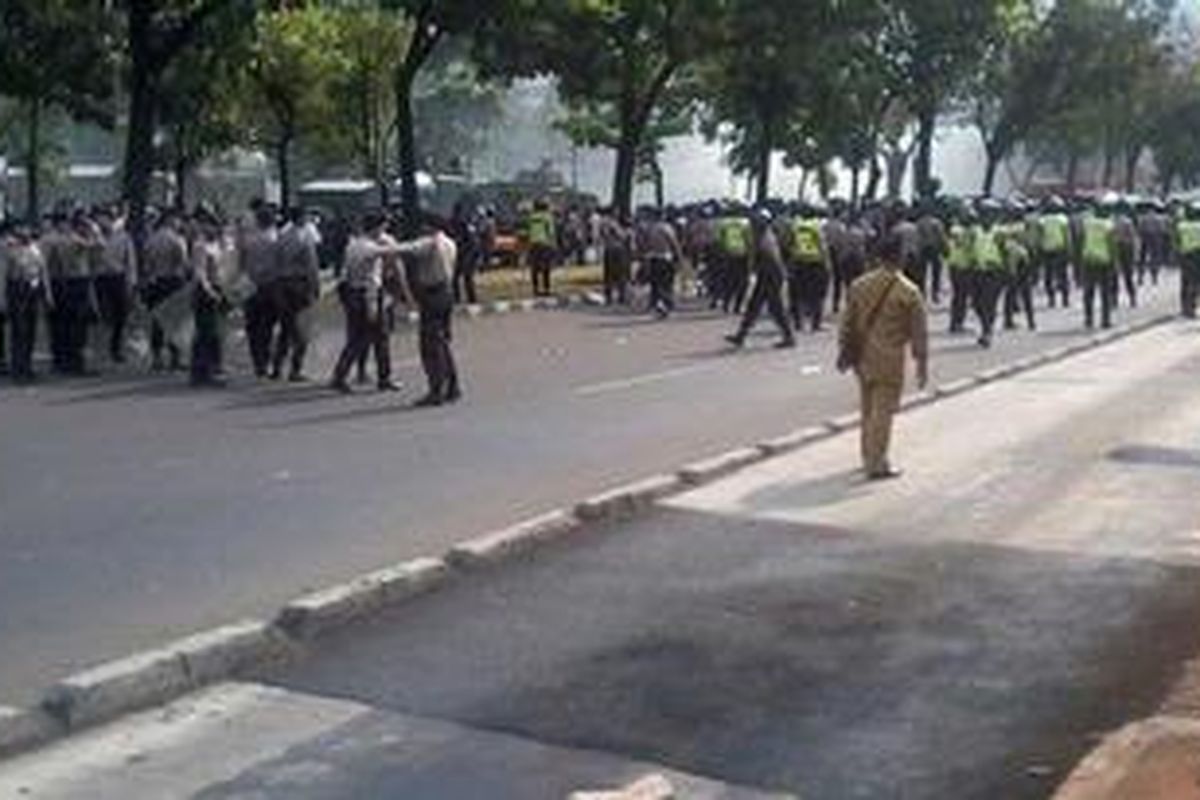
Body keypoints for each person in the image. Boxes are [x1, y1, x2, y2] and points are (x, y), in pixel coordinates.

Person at [837, 232, 928, 481]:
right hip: (890, 358)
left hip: (862, 356)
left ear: (878, 257)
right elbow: (919, 332)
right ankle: (877, 463)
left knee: (868, 409)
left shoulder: (859, 285)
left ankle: (868, 454)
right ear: (901, 257)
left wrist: (844, 350)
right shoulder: (909, 291)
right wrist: (921, 364)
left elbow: (847, 322)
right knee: (883, 412)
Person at [330, 212, 405, 394]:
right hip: (369, 295)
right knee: (379, 338)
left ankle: (341, 375)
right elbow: (392, 254)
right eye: (383, 227)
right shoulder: (370, 248)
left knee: (357, 338)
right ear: (376, 227)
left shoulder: (353, 244)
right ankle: (382, 378)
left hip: (354, 293)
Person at [393, 217, 462, 407]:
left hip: (432, 295)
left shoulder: (431, 243)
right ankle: (452, 386)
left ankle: (436, 390)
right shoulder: (450, 243)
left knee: (430, 346)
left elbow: (409, 248)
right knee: (443, 342)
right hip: (446, 292)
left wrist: (382, 247)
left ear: (430, 227)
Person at [724, 208, 795, 350]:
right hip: (767, 274)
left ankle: (789, 337)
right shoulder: (762, 235)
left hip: (770, 275)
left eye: (755, 221)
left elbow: (768, 259)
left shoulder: (764, 237)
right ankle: (741, 335)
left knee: (774, 307)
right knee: (755, 306)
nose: (753, 224)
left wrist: (755, 271)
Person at [271, 208, 321, 381]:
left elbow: (275, 261)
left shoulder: (282, 236)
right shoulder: (305, 238)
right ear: (301, 218)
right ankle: (295, 369)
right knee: (302, 331)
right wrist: (316, 286)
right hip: (299, 285)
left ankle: (277, 367)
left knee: (286, 328)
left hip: (282, 284)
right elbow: (312, 266)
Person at [142, 210, 191, 371]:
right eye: (177, 220)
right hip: (173, 281)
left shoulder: (151, 239)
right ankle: (175, 358)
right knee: (174, 321)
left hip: (155, 282)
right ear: (170, 220)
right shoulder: (177, 239)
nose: (179, 223)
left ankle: (156, 358)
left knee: (157, 320)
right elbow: (183, 263)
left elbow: (146, 265)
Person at [4, 222, 52, 383]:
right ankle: (18, 369)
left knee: (31, 330)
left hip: (33, 290)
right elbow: (3, 274)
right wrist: (2, 299)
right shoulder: (9, 248)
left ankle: (27, 366)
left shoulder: (36, 248)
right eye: (21, 228)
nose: (25, 231)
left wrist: (48, 294)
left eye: (27, 228)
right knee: (20, 331)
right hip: (17, 289)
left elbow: (43, 271)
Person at [189, 211, 229, 387]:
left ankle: (210, 369)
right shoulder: (200, 246)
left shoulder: (218, 245)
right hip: (205, 293)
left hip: (218, 289)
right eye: (212, 225)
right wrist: (211, 292)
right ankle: (202, 371)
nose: (215, 229)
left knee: (214, 333)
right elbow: (200, 273)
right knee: (206, 332)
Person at [93, 207, 136, 364]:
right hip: (100, 278)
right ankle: (101, 350)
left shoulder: (124, 237)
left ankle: (116, 349)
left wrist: (131, 281)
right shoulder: (94, 237)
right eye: (100, 218)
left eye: (105, 218)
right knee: (103, 315)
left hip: (118, 278)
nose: (102, 221)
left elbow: (130, 261)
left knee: (120, 316)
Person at [783, 206, 831, 333]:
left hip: (798, 262)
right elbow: (822, 245)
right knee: (817, 295)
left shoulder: (794, 226)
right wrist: (827, 263)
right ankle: (816, 324)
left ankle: (798, 324)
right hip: (815, 262)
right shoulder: (817, 226)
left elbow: (788, 243)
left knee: (798, 295)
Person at [636, 207, 683, 319]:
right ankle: (666, 306)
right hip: (665, 258)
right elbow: (674, 244)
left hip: (652, 258)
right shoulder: (666, 228)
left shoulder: (649, 228)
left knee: (655, 284)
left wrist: (643, 258)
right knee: (666, 284)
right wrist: (679, 258)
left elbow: (643, 244)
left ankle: (656, 305)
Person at [971, 204, 1006, 348]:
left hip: (994, 272)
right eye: (983, 215)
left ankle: (987, 331)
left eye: (989, 215)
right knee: (976, 304)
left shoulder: (1000, 233)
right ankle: (986, 327)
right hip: (977, 271)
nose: (986, 218)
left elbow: (1008, 251)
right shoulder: (975, 231)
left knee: (989, 303)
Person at [1079, 202, 1117, 329]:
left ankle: (1088, 319)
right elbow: (1112, 244)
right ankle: (1105, 320)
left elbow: (1082, 239)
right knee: (1105, 293)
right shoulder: (1109, 225)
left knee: (1088, 292)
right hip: (1104, 261)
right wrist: (1115, 261)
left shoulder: (1087, 223)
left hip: (1089, 259)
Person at [1036, 198, 1072, 308]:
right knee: (1062, 275)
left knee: (1049, 276)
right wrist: (1069, 249)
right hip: (1060, 249)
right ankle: (1065, 299)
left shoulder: (1042, 221)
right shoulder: (1063, 219)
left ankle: (1051, 299)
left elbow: (1039, 237)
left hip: (1047, 250)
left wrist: (1039, 249)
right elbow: (1067, 236)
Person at [945, 211, 976, 334]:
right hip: (963, 266)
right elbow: (969, 248)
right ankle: (958, 323)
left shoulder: (954, 230)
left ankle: (954, 322)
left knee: (957, 296)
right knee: (962, 296)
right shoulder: (967, 233)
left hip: (953, 265)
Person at [598, 208, 633, 305]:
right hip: (617, 249)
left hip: (608, 248)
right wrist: (627, 233)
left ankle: (609, 296)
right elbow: (621, 236)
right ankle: (621, 296)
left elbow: (602, 235)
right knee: (621, 273)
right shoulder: (612, 223)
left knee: (609, 274)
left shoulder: (604, 222)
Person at [524, 200, 557, 297]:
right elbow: (551, 232)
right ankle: (547, 288)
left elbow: (527, 231)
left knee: (534, 268)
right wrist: (553, 244)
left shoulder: (531, 217)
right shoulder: (547, 217)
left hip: (533, 243)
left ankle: (535, 289)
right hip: (545, 243)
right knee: (546, 267)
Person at [916, 204, 947, 304]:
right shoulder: (936, 222)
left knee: (922, 273)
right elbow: (941, 236)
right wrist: (945, 249)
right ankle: (935, 293)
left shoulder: (919, 222)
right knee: (936, 273)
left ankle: (922, 293)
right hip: (934, 249)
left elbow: (917, 237)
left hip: (923, 249)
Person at [1174, 203, 1200, 319]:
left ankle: (1184, 307)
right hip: (1197, 255)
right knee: (1195, 282)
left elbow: (1176, 241)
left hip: (1185, 255)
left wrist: (1178, 253)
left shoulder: (1180, 226)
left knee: (1185, 281)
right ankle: (1191, 307)